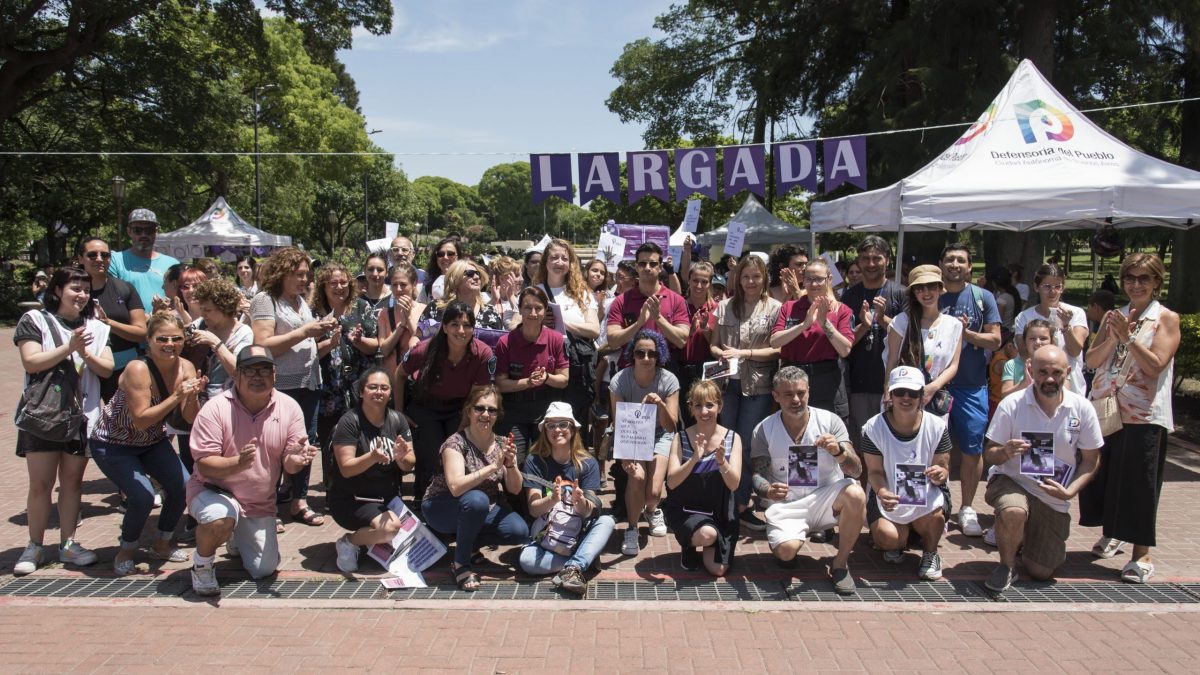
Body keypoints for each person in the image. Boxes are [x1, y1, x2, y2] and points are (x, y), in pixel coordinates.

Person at [185, 345, 321, 596]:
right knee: (220, 517)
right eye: (249, 371)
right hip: (212, 489)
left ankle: (236, 535)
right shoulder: (215, 408)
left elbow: (290, 462)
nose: (257, 376)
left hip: (257, 501)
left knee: (263, 569)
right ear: (236, 375)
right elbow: (204, 463)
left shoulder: (289, 407)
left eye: (264, 370)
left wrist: (297, 460)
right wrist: (237, 463)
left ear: (274, 376)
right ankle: (202, 565)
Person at [1080, 253, 1180, 583]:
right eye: (1130, 278)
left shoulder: (1165, 318)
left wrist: (1129, 338)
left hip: (1144, 415)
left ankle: (1142, 554)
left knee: (1139, 484)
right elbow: (1092, 360)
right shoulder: (1114, 316)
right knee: (1104, 477)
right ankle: (1114, 532)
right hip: (1107, 410)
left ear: (1156, 283)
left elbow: (1155, 365)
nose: (1135, 285)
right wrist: (1112, 336)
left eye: (1143, 279)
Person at [12, 266, 114, 575]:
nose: (81, 295)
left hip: (80, 415)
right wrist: (68, 348)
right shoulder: (34, 320)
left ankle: (68, 544)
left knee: (72, 483)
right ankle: (34, 545)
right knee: (41, 484)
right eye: (74, 289)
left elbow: (107, 369)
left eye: (85, 290)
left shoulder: (96, 327)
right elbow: (31, 360)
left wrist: (85, 353)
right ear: (57, 290)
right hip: (44, 414)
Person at [89, 311, 202, 574]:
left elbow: (188, 418)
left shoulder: (185, 367)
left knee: (183, 486)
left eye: (176, 338)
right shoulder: (138, 369)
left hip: (151, 441)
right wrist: (177, 396)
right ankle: (126, 550)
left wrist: (193, 397)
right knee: (141, 496)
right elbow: (141, 419)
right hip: (114, 444)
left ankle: (162, 543)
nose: (170, 344)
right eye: (162, 338)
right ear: (148, 340)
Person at [982, 346, 1103, 592]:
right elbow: (989, 453)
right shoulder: (1012, 404)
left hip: (1053, 495)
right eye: (1042, 372)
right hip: (1011, 479)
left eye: (1056, 372)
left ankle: (1024, 537)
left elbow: (1091, 460)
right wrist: (1005, 452)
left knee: (1041, 572)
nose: (1049, 379)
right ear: (1030, 371)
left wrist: (1070, 492)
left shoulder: (1082, 408)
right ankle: (1007, 566)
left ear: (1067, 372)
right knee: (1013, 509)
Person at [749, 367, 865, 594]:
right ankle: (793, 540)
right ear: (775, 396)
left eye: (801, 393)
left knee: (856, 493)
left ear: (809, 392)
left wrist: (840, 452)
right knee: (786, 552)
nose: (796, 400)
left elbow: (857, 470)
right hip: (788, 504)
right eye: (788, 394)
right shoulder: (764, 429)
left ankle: (840, 565)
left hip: (826, 498)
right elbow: (757, 475)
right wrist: (768, 490)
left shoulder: (830, 422)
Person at [250, 247, 335, 528]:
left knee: (305, 443)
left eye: (306, 275)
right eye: (298, 274)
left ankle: (299, 501)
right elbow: (262, 344)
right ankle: (267, 506)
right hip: (280, 386)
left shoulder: (300, 301)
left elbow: (304, 344)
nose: (305, 280)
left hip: (309, 383)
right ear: (281, 273)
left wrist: (325, 341)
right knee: (274, 446)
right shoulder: (265, 300)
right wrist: (305, 332)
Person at [421, 385, 529, 591]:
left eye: (492, 410)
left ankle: (468, 545)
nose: (485, 414)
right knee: (477, 499)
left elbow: (515, 489)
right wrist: (492, 467)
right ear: (469, 411)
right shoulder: (455, 443)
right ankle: (461, 564)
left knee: (519, 531)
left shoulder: (501, 442)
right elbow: (455, 487)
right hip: (442, 506)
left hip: (480, 508)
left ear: (498, 415)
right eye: (480, 408)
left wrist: (510, 464)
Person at [395, 302, 496, 503]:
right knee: (430, 453)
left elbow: (478, 394)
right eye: (455, 324)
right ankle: (425, 501)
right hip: (425, 407)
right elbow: (399, 375)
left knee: (455, 450)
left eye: (467, 325)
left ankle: (453, 500)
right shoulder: (424, 350)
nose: (461, 330)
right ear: (444, 327)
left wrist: (468, 421)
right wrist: (399, 414)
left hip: (459, 408)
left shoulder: (482, 353)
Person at [711, 254, 781, 532]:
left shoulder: (776, 308)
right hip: (727, 384)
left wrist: (745, 352)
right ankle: (723, 502)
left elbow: (779, 349)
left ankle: (741, 505)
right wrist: (721, 354)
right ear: (737, 278)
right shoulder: (724, 306)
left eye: (756, 276)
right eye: (745, 276)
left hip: (759, 385)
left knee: (748, 445)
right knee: (724, 443)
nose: (751, 281)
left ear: (764, 278)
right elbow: (714, 345)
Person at [863, 366, 952, 582]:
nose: (906, 398)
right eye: (900, 392)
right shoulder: (873, 427)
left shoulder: (937, 426)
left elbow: (943, 466)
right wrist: (882, 491)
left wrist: (940, 473)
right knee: (888, 539)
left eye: (913, 393)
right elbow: (874, 471)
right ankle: (901, 538)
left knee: (933, 518)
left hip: (926, 496)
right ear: (890, 395)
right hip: (889, 493)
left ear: (922, 396)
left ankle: (930, 553)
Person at [937, 244, 1001, 538]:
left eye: (961, 260)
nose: (955, 264)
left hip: (971, 386)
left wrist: (967, 334)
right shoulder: (930, 293)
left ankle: (967, 507)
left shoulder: (982, 297)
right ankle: (938, 501)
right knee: (934, 446)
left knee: (973, 447)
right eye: (949, 259)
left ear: (970, 267)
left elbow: (995, 340)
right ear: (941, 263)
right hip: (936, 385)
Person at [519, 402, 613, 595]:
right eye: (551, 425)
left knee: (607, 521)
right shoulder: (534, 461)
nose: (557, 430)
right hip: (547, 537)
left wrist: (580, 502)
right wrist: (552, 499)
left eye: (563, 424)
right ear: (544, 430)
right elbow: (534, 509)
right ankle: (580, 563)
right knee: (526, 561)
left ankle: (574, 565)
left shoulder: (587, 463)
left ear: (573, 429)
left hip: (577, 534)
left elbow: (590, 511)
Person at [329, 368, 416, 574]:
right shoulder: (350, 422)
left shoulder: (397, 420)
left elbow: (410, 463)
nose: (379, 392)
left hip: (386, 499)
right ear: (361, 392)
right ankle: (349, 542)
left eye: (384, 388)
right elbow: (347, 468)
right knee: (389, 529)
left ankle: (370, 538)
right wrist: (373, 457)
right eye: (372, 387)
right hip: (352, 499)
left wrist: (402, 458)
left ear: (390, 393)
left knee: (415, 542)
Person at [662, 380, 742, 576]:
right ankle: (689, 543)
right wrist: (694, 459)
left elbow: (734, 484)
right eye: (698, 405)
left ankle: (706, 540)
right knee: (707, 534)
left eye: (710, 405)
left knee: (718, 570)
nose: (704, 411)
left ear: (720, 407)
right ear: (691, 409)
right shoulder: (680, 438)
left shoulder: (733, 438)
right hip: (686, 509)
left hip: (720, 510)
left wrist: (723, 462)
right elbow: (672, 482)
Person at [310, 263, 379, 489]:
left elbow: (375, 345)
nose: (339, 287)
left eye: (343, 282)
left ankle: (362, 486)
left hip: (359, 385)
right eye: (333, 283)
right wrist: (329, 344)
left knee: (362, 436)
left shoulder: (361, 306)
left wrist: (359, 341)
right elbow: (309, 354)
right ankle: (334, 490)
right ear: (323, 286)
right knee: (331, 438)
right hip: (329, 388)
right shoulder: (313, 313)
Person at [611, 330, 679, 556]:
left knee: (653, 492)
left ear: (659, 355)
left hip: (660, 434)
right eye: (640, 353)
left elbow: (671, 427)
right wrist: (625, 456)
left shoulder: (669, 380)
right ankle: (631, 528)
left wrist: (660, 405)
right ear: (633, 355)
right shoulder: (620, 380)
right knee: (637, 476)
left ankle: (651, 509)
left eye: (652, 353)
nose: (647, 358)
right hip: (632, 434)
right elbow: (618, 422)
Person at [841, 236, 907, 457]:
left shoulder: (900, 294)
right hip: (859, 384)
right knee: (862, 446)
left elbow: (910, 339)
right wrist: (862, 325)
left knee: (893, 446)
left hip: (894, 385)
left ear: (887, 260)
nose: (870, 264)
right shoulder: (849, 296)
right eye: (865, 259)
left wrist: (884, 320)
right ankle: (865, 491)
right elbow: (843, 344)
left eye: (876, 258)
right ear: (858, 262)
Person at [769, 258, 854, 422]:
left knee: (829, 432)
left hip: (826, 380)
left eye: (819, 279)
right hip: (793, 379)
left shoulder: (841, 310)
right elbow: (775, 341)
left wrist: (824, 323)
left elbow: (844, 350)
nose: (814, 284)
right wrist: (804, 324)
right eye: (809, 279)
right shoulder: (789, 307)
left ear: (829, 279)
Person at [535, 239, 601, 438]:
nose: (559, 262)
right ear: (545, 262)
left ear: (571, 263)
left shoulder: (582, 293)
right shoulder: (535, 291)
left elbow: (594, 330)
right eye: (554, 257)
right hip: (544, 367)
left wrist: (561, 321)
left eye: (565, 258)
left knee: (573, 421)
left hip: (575, 369)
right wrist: (537, 320)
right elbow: (514, 325)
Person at [495, 287, 569, 461]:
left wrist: (547, 378)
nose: (533, 313)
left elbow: (564, 379)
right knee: (514, 461)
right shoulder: (506, 342)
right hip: (514, 411)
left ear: (545, 311)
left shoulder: (556, 339)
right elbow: (500, 384)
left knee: (544, 461)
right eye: (527, 307)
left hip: (546, 410)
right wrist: (527, 382)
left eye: (538, 308)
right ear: (520, 309)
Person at [76, 237, 147, 401]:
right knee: (83, 423)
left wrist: (108, 324)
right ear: (80, 258)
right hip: (83, 369)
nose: (99, 259)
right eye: (92, 255)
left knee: (122, 423)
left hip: (122, 370)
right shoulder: (71, 292)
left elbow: (141, 332)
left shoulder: (124, 288)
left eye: (105, 255)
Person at [885, 265, 963, 411]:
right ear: (913, 293)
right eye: (919, 288)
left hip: (934, 399)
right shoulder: (901, 321)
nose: (926, 293)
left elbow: (953, 366)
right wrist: (886, 392)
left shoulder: (954, 325)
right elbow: (892, 361)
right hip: (902, 397)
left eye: (932, 287)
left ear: (940, 289)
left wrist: (932, 388)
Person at [605, 242, 690, 365]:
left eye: (653, 263)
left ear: (660, 267)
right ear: (636, 266)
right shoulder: (621, 301)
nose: (647, 267)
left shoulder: (677, 300)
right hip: (630, 371)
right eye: (642, 263)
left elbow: (681, 341)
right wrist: (638, 324)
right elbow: (613, 341)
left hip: (665, 371)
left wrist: (658, 318)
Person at [1013, 264, 1088, 394]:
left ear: (1062, 288)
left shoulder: (1076, 313)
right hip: (1038, 386)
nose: (1052, 291)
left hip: (1072, 387)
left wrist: (1066, 326)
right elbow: (1024, 352)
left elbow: (1075, 351)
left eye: (1057, 286)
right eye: (1047, 287)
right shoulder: (1024, 317)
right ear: (1037, 287)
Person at [108, 208, 180, 310]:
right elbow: (112, 296)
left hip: (165, 323)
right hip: (129, 324)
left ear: (156, 232)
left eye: (149, 230)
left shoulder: (172, 264)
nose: (144, 235)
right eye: (138, 230)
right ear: (129, 231)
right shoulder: (115, 261)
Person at [419, 259, 505, 335]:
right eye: (470, 274)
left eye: (477, 273)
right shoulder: (435, 307)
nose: (476, 277)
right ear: (455, 279)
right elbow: (418, 336)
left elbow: (497, 344)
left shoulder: (490, 312)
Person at [374, 264, 425, 378]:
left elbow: (423, 344)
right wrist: (401, 326)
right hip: (393, 377)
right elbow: (384, 350)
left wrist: (408, 318)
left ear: (414, 284)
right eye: (394, 285)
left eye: (403, 285)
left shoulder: (425, 310)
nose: (398, 289)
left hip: (417, 376)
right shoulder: (384, 313)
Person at [999, 319, 1056, 398]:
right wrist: (1025, 382)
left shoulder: (1059, 364)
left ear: (1052, 342)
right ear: (1024, 342)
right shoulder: (1012, 365)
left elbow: (1064, 393)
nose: (1038, 342)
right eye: (1032, 338)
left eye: (1043, 338)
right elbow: (1004, 395)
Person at [420, 237, 461, 304]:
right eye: (440, 254)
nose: (445, 257)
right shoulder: (427, 289)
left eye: (450, 254)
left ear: (458, 257)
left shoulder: (466, 284)